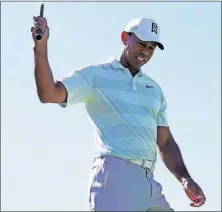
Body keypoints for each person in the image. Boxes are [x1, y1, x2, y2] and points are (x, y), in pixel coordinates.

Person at [31, 15, 206, 211]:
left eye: (151, 47)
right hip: (116, 175)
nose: (145, 51)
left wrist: (185, 179)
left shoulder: (154, 90)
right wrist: (41, 48)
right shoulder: (95, 75)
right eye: (141, 43)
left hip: (149, 182)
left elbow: (164, 142)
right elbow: (48, 93)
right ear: (125, 37)